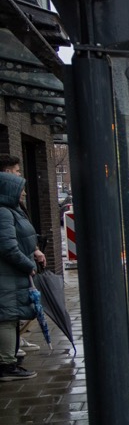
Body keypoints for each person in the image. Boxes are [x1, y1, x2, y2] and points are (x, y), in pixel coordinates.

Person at [0, 154, 44, 379]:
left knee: (11, 316)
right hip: (7, 276)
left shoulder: (11, 210)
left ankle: (10, 359)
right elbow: (7, 247)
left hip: (11, 275)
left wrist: (34, 250)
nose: (24, 193)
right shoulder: (3, 212)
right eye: (21, 188)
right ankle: (6, 365)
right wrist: (28, 265)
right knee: (7, 318)